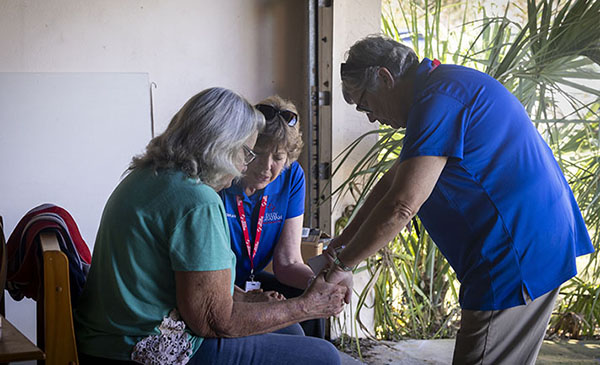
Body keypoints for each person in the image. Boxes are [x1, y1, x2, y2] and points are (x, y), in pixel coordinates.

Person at [324, 35, 594, 365]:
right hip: (536, 242)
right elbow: (392, 183)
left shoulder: (440, 99)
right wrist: (342, 244)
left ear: (384, 77)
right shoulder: (442, 87)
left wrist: (343, 265)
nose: (369, 117)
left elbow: (402, 205)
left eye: (364, 103)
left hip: (515, 254)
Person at [74, 87, 345, 365]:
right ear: (220, 145)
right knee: (324, 356)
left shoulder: (146, 176)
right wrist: (306, 306)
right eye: (246, 152)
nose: (244, 166)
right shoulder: (197, 200)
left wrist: (247, 300)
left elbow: (177, 281)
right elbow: (213, 322)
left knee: (291, 330)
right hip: (138, 347)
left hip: (108, 339)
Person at [219, 95, 325, 338]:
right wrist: (248, 299)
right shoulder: (222, 178)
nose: (266, 167)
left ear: (288, 159)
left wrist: (319, 285)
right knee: (292, 332)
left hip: (252, 280)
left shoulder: (292, 177)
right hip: (220, 284)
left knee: (311, 302)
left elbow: (287, 263)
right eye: (257, 153)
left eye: (278, 158)